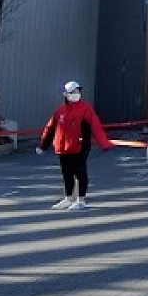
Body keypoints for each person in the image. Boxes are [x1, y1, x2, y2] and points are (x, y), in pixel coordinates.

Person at [37, 80, 113, 210]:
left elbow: (96, 126)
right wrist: (43, 145)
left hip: (79, 147)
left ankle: (81, 199)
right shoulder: (60, 110)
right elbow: (50, 128)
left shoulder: (85, 108)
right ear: (66, 94)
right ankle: (68, 198)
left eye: (78, 91)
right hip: (62, 148)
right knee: (66, 173)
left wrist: (104, 143)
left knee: (80, 173)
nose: (76, 94)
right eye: (73, 92)